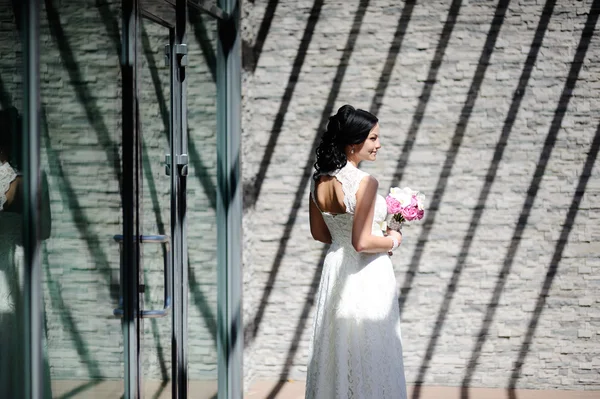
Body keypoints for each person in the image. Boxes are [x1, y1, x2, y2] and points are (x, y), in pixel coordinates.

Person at [306, 104, 407, 398]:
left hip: (336, 268)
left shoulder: (320, 180)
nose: (379, 144)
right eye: (373, 138)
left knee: (339, 349)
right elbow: (361, 242)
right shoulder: (365, 182)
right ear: (353, 143)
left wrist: (346, 234)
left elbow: (319, 233)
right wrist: (393, 240)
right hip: (367, 273)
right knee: (371, 348)